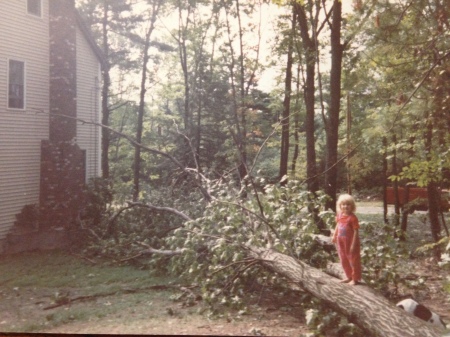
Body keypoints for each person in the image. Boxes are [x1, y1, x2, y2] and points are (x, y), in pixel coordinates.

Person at [331, 194, 362, 285]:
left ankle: (355, 278)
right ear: (340, 206)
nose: (345, 206)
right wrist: (334, 235)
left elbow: (356, 231)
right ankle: (349, 276)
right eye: (343, 204)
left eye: (348, 204)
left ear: (352, 206)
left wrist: (353, 244)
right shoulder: (340, 215)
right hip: (341, 241)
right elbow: (338, 225)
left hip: (350, 242)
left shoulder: (352, 218)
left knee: (353, 260)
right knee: (343, 259)